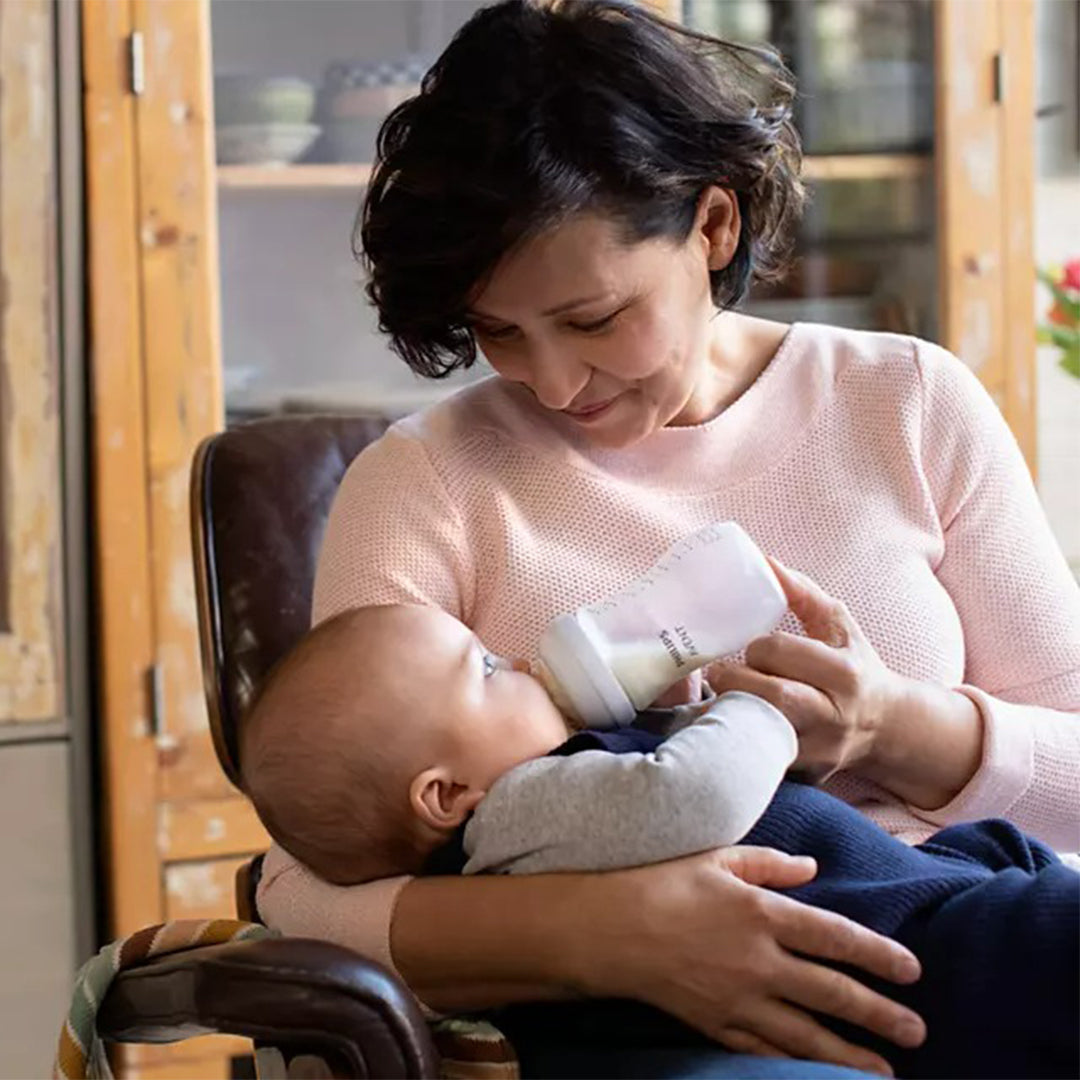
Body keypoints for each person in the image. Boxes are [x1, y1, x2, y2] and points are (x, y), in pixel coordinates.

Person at [257, 2, 1080, 1077]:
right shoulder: (426, 485)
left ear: (713, 226)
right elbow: (305, 887)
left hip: (967, 923)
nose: (551, 382)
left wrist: (893, 727)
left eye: (594, 319)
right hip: (652, 1023)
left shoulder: (906, 401)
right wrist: (613, 937)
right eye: (499, 332)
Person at [241, 602, 1078, 1080]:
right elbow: (697, 790)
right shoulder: (518, 814)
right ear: (447, 793)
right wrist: (756, 715)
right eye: (488, 670)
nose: (522, 662)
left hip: (934, 892)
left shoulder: (557, 798)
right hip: (913, 949)